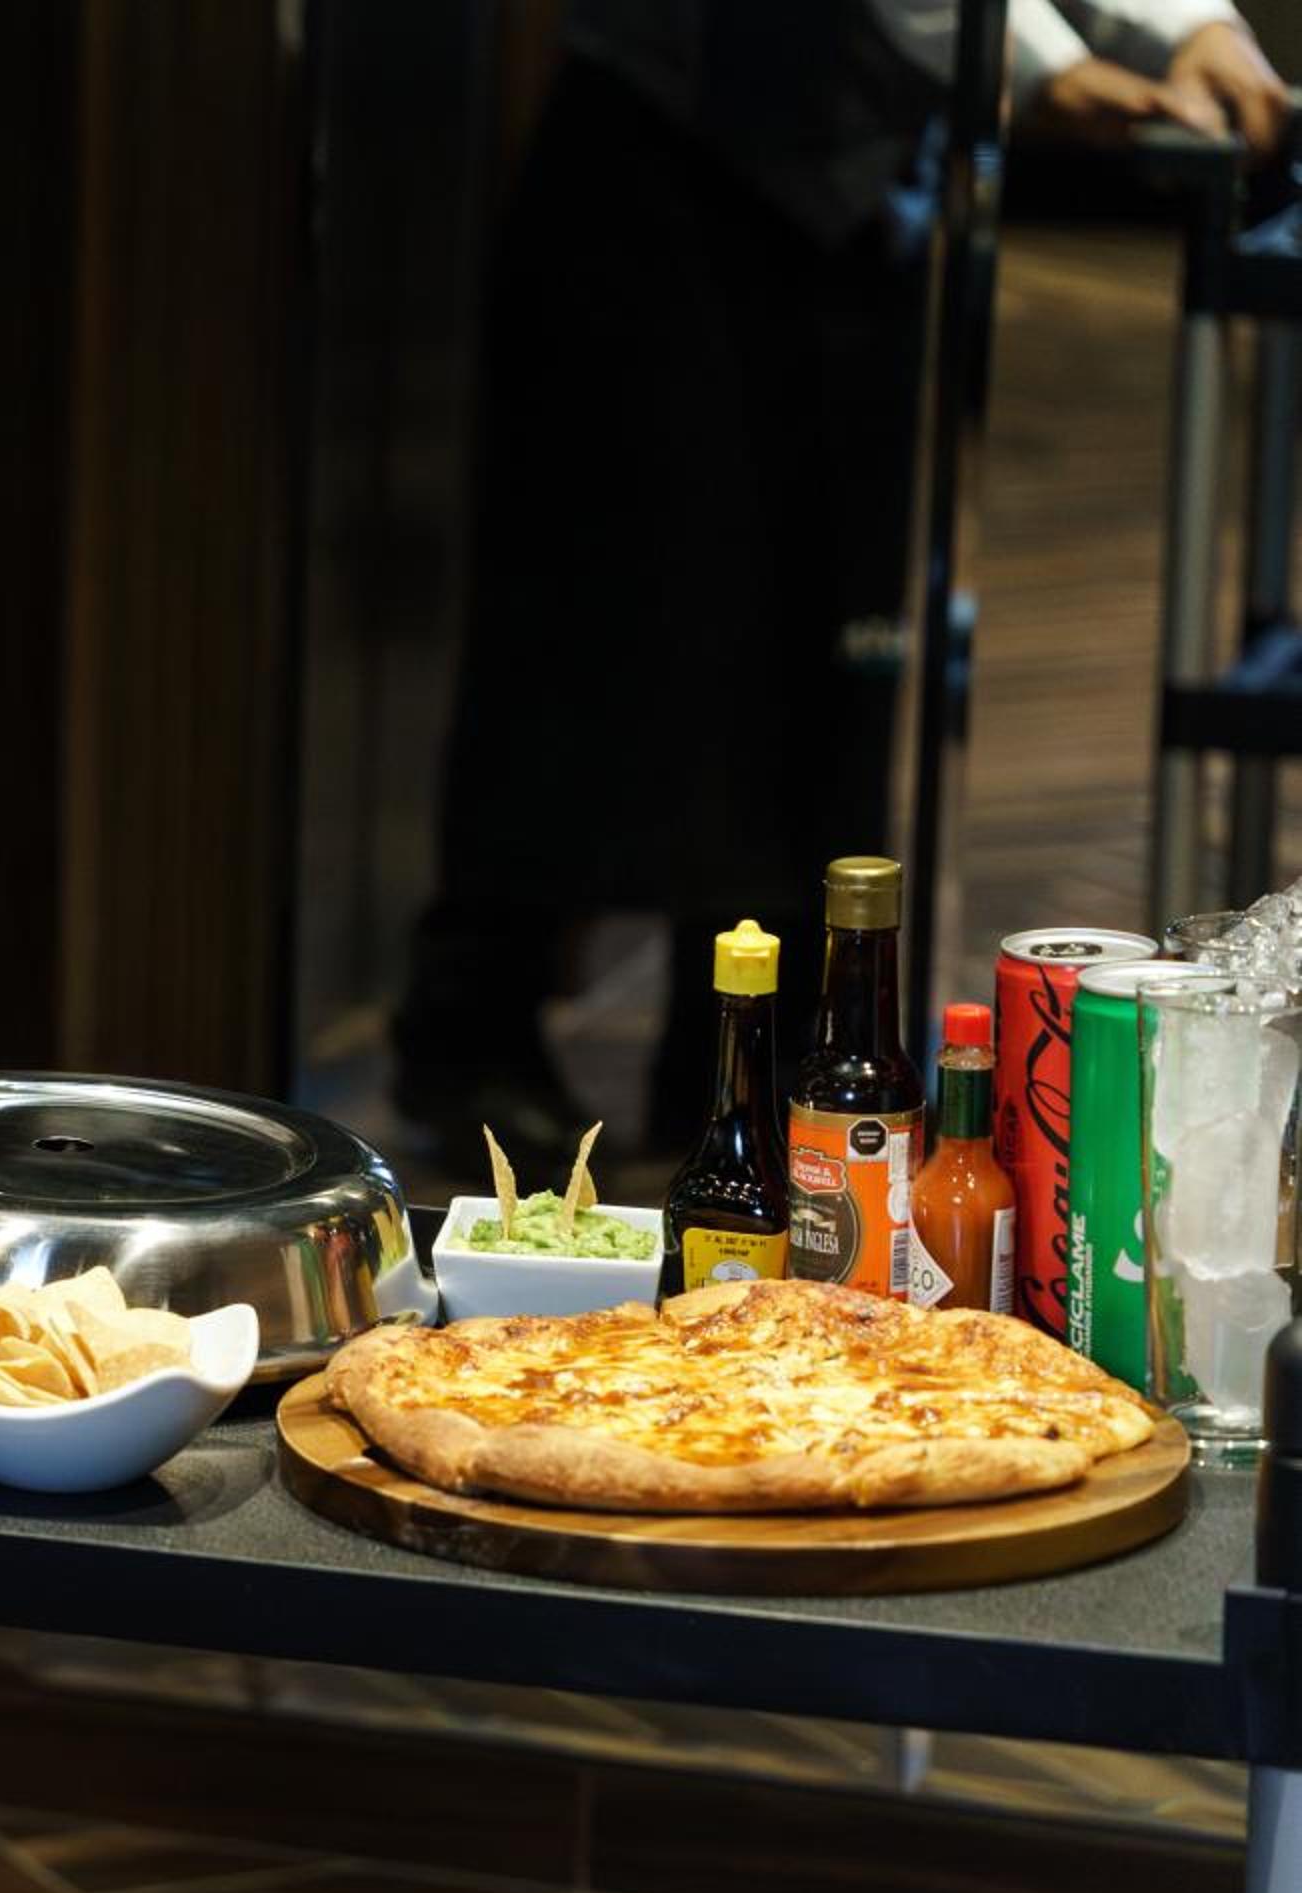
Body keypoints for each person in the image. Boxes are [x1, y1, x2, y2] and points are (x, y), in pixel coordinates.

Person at [388, 0, 1286, 1184]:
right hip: (661, 160)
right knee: (606, 621)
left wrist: (1188, 22)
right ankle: (472, 1032)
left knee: (825, 647)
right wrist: (1043, 61)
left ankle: (740, 1073)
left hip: (860, 190)